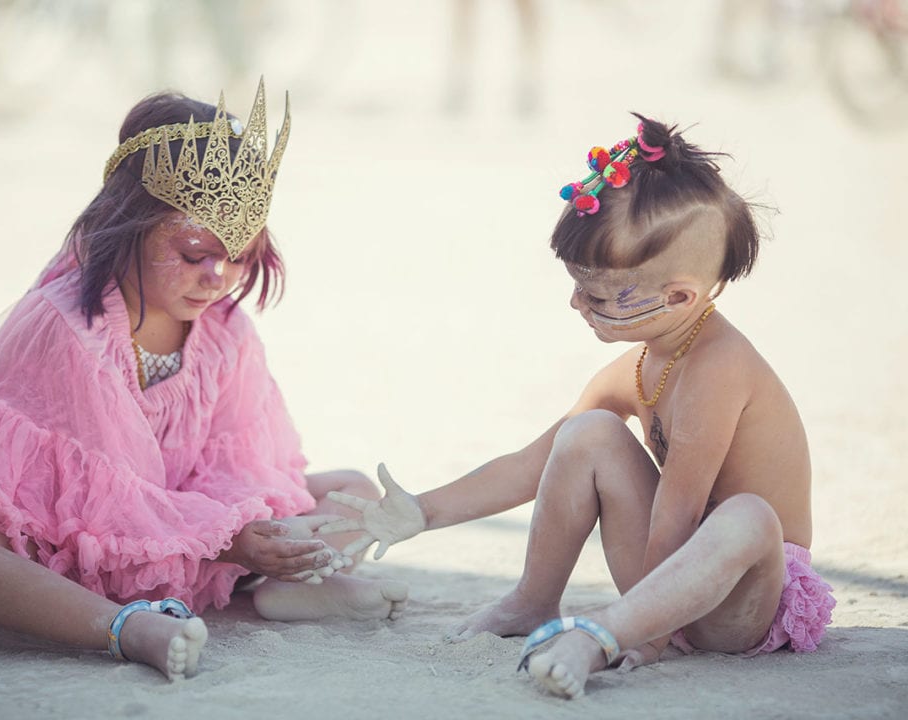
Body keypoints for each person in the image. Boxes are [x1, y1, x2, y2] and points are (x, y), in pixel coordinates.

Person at [0, 80, 408, 682]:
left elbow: (244, 464)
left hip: (194, 524)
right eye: (194, 249)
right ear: (127, 226)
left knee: (355, 491)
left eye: (238, 253)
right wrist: (230, 541)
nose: (216, 275)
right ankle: (125, 626)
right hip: (67, 540)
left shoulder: (225, 328)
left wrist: (252, 532)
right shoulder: (73, 329)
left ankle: (284, 586)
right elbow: (111, 501)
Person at [322, 115, 835, 698]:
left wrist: (648, 631)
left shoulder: (719, 368)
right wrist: (420, 511)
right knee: (586, 432)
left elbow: (678, 511)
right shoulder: (640, 364)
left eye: (593, 292)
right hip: (669, 580)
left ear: (678, 296)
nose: (574, 303)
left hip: (740, 598)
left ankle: (601, 635)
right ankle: (532, 600)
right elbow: (533, 464)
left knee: (747, 515)